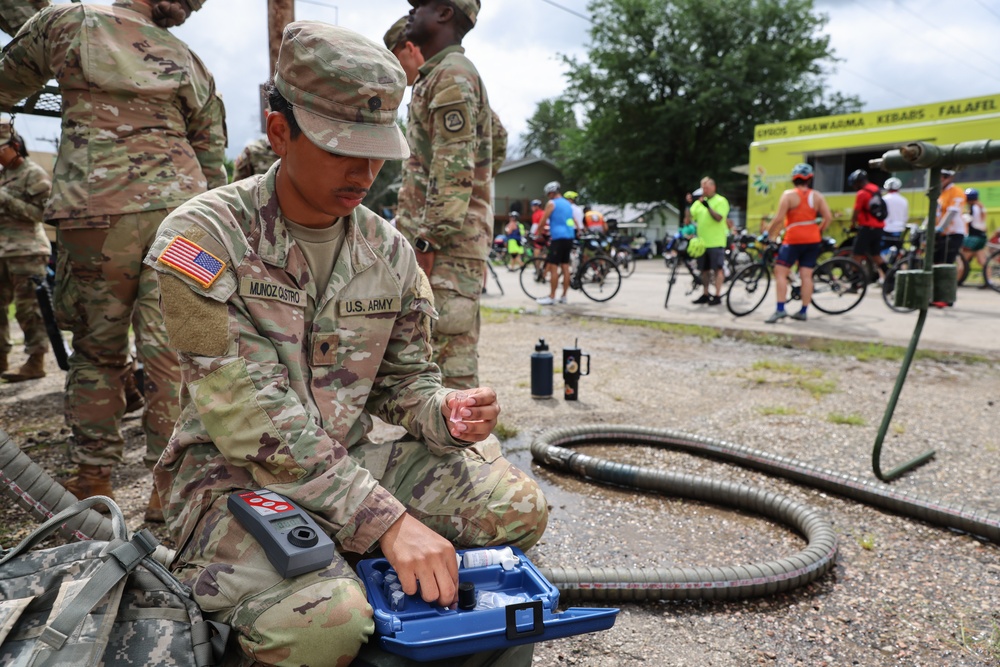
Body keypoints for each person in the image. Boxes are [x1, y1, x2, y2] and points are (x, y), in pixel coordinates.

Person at [146, 22, 547, 666]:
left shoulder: (386, 249)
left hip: (350, 461)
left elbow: (405, 381)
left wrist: (442, 412)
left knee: (516, 508)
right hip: (231, 477)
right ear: (281, 133)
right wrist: (387, 522)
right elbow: (252, 424)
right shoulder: (202, 240)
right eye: (342, 150)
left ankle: (351, 570)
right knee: (326, 625)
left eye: (377, 151)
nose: (364, 173)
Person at [0, 0, 227, 521]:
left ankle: (91, 477)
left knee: (98, 352)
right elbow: (212, 154)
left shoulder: (70, 21)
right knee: (175, 352)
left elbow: (6, 82)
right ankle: (166, 490)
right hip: (183, 218)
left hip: (98, 212)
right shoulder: (190, 61)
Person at [394, 0, 494, 390]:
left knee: (450, 364)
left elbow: (453, 172)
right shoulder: (441, 75)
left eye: (419, 5)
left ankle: (461, 450)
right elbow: (494, 141)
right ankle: (441, 446)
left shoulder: (451, 75)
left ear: (444, 14)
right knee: (429, 355)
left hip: (444, 246)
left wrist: (427, 240)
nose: (410, 13)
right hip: (446, 241)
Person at [0, 122, 51, 381]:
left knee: (28, 308)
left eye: (2, 149)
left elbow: (43, 214)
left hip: (28, 251)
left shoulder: (34, 174)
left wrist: (6, 199)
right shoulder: (2, 175)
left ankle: (35, 361)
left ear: (16, 147)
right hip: (3, 253)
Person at [764, 163, 832, 323]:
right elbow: (828, 217)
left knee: (780, 272)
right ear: (809, 179)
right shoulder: (817, 196)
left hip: (793, 239)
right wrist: (818, 230)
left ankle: (780, 309)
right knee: (806, 275)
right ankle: (803, 311)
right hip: (813, 239)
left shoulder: (788, 195)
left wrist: (768, 233)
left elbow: (779, 219)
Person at [689, 177, 730, 305]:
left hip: (716, 242)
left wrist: (708, 207)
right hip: (702, 243)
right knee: (704, 270)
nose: (704, 190)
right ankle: (705, 294)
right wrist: (688, 204)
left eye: (706, 187)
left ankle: (717, 295)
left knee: (718, 269)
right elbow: (688, 219)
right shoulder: (699, 202)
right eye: (703, 188)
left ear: (713, 187)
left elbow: (718, 218)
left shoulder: (720, 201)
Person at [535, 180, 576, 305]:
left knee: (553, 267)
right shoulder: (568, 204)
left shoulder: (552, 203)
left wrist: (537, 233)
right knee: (565, 267)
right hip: (569, 236)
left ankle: (552, 296)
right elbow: (569, 221)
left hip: (558, 238)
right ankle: (564, 296)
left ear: (551, 193)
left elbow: (543, 220)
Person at [847, 168, 887, 283]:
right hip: (879, 227)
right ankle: (890, 278)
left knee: (856, 255)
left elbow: (856, 211)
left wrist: (852, 224)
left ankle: (854, 283)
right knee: (876, 255)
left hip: (867, 228)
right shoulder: (875, 189)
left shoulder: (862, 193)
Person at [960, 188, 989, 288]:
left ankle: (956, 280)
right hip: (981, 236)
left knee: (963, 259)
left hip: (974, 237)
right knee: (982, 261)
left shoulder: (973, 208)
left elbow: (968, 221)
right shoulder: (980, 206)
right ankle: (988, 281)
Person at [881, 176, 908, 254]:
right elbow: (905, 217)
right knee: (898, 251)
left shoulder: (884, 199)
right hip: (899, 229)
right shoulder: (904, 200)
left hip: (886, 229)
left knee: (882, 251)